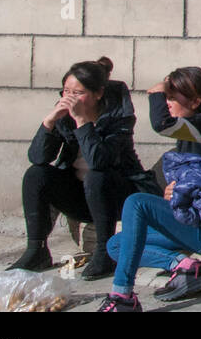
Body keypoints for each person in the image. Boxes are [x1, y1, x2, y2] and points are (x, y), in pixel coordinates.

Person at [98, 66, 201, 312]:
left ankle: (122, 297)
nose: (167, 102)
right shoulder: (190, 132)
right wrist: (177, 191)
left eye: (172, 97)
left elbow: (162, 123)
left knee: (136, 202)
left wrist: (157, 92)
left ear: (196, 101)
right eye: (167, 97)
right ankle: (184, 266)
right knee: (116, 245)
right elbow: (200, 182)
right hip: (200, 225)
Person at [10, 57, 155, 280]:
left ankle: (104, 254)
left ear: (98, 94)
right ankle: (36, 250)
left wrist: (81, 121)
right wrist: (49, 122)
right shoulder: (63, 117)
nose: (70, 98)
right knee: (36, 174)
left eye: (78, 93)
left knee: (96, 177)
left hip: (117, 197)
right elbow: (38, 157)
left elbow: (99, 161)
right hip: (82, 198)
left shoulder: (119, 118)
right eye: (66, 91)